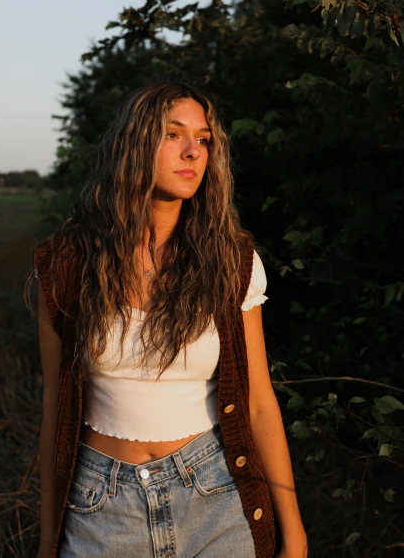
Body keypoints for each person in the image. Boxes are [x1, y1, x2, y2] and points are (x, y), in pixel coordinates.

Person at [28, 80, 308, 558]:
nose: (192, 151)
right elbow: (56, 411)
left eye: (203, 139)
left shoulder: (231, 260)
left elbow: (259, 402)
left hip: (215, 497)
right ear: (134, 143)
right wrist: (45, 540)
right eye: (173, 134)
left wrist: (295, 535)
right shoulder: (66, 265)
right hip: (101, 507)